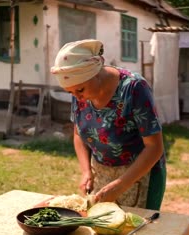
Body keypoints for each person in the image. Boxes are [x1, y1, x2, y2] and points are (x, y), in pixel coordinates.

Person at [50, 39, 166, 210]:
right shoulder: (79, 93)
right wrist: (86, 171)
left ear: (95, 73)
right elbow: (78, 134)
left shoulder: (133, 88)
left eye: (80, 90)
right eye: (71, 93)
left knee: (138, 231)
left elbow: (154, 147)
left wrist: (120, 185)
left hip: (139, 174)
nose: (77, 98)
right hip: (101, 172)